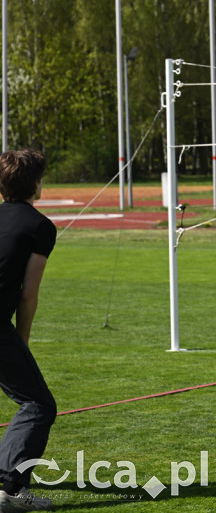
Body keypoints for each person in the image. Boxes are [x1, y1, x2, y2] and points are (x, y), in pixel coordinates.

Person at [0, 150, 57, 513]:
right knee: (38, 404)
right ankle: (10, 490)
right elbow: (28, 293)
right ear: (37, 184)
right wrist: (21, 340)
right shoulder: (40, 226)